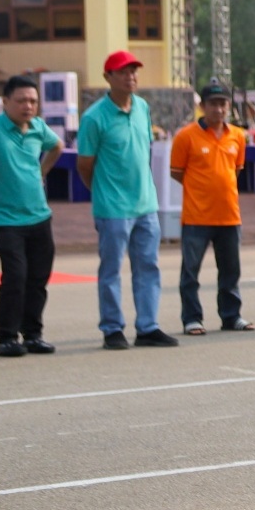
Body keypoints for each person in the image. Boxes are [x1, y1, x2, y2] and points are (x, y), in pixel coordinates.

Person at [77, 50, 178, 350]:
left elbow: (143, 152)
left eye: (133, 71)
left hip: (146, 204)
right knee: (111, 270)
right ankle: (112, 328)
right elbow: (85, 164)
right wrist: (101, 193)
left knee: (148, 266)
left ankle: (148, 326)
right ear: (108, 77)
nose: (130, 76)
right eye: (122, 71)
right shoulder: (94, 117)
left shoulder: (142, 107)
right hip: (113, 208)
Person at [0, 75, 61, 357]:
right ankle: (7, 337)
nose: (28, 106)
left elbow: (57, 147)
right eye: (21, 101)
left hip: (40, 215)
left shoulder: (38, 127)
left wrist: (42, 172)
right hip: (6, 219)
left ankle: (33, 334)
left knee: (39, 278)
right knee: (15, 275)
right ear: (5, 102)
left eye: (33, 101)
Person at [170, 78, 252, 336]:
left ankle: (231, 315)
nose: (218, 109)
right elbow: (177, 172)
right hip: (196, 217)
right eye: (213, 104)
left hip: (229, 215)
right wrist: (201, 189)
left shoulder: (237, 136)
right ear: (203, 106)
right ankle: (192, 318)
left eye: (223, 104)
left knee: (230, 272)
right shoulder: (186, 136)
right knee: (191, 273)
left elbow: (236, 170)